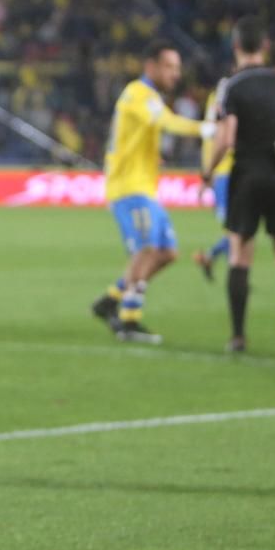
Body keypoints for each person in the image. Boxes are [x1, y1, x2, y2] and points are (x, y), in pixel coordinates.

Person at [201, 17, 275, 356]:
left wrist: (208, 170)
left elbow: (227, 138)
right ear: (264, 47)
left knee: (240, 256)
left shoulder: (231, 86)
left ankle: (238, 336)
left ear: (235, 47)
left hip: (247, 174)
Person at [90, 41, 212, 344]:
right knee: (144, 251)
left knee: (167, 252)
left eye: (178, 67)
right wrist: (205, 129)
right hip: (129, 188)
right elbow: (165, 121)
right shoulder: (137, 93)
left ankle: (110, 300)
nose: (176, 73)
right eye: (170, 66)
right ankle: (129, 321)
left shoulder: (149, 97)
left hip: (144, 187)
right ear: (152, 66)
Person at [192, 75, 233, 282]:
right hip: (226, 174)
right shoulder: (226, 106)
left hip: (223, 172)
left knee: (236, 229)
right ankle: (234, 275)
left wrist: (206, 173)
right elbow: (219, 140)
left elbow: (209, 141)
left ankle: (212, 258)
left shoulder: (214, 103)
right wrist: (208, 174)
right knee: (236, 230)